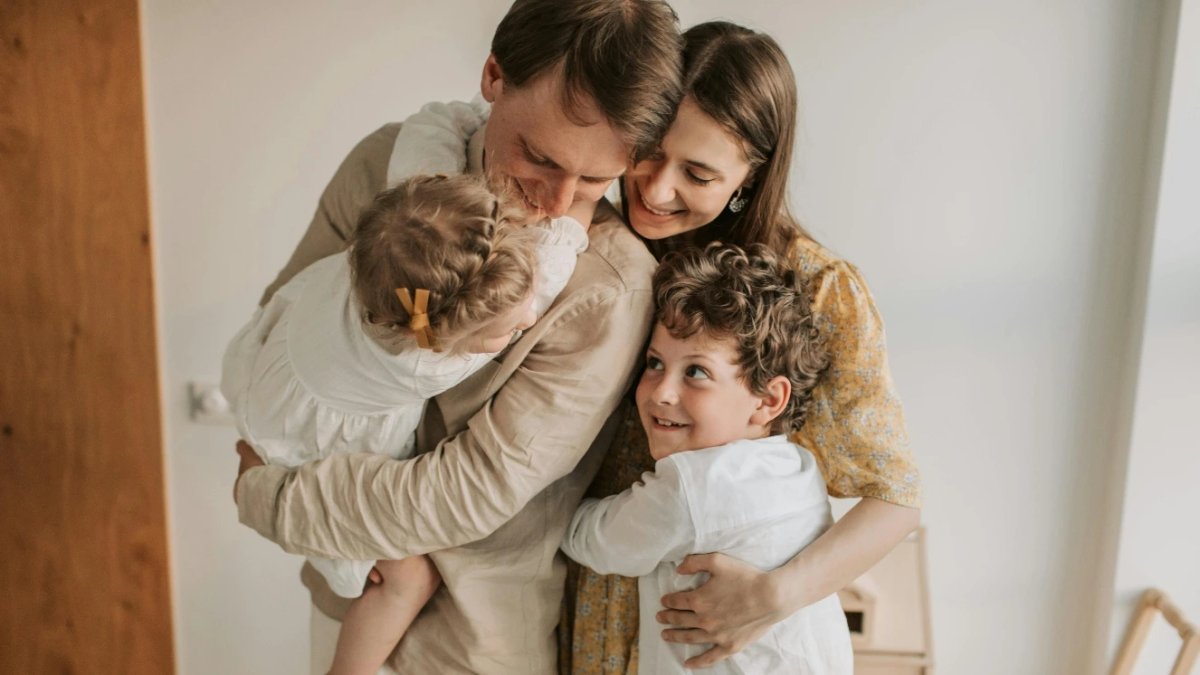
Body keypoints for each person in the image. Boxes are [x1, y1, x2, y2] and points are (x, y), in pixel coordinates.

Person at [231, 1, 684, 673]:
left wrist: (267, 496)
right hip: (343, 599)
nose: (558, 202)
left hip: (472, 645)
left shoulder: (609, 286)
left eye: (595, 178)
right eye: (539, 157)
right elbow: (288, 326)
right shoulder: (384, 164)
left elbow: (471, 489)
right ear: (494, 76)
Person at [563, 21, 921, 673]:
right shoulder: (588, 243)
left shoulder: (816, 290)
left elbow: (893, 499)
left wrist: (772, 595)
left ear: (749, 177)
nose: (656, 186)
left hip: (708, 631)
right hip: (578, 605)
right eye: (649, 149)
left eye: (697, 173)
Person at [222, 171, 592, 675]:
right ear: (439, 337)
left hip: (268, 384)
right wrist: (576, 217)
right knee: (409, 578)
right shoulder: (423, 360)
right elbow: (549, 274)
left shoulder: (390, 243)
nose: (528, 319)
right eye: (503, 332)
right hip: (301, 439)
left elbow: (426, 140)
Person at [561, 242, 853, 674]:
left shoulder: (695, 485)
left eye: (696, 372)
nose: (662, 391)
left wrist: (557, 494)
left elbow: (596, 541)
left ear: (768, 399)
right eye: (655, 363)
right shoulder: (797, 468)